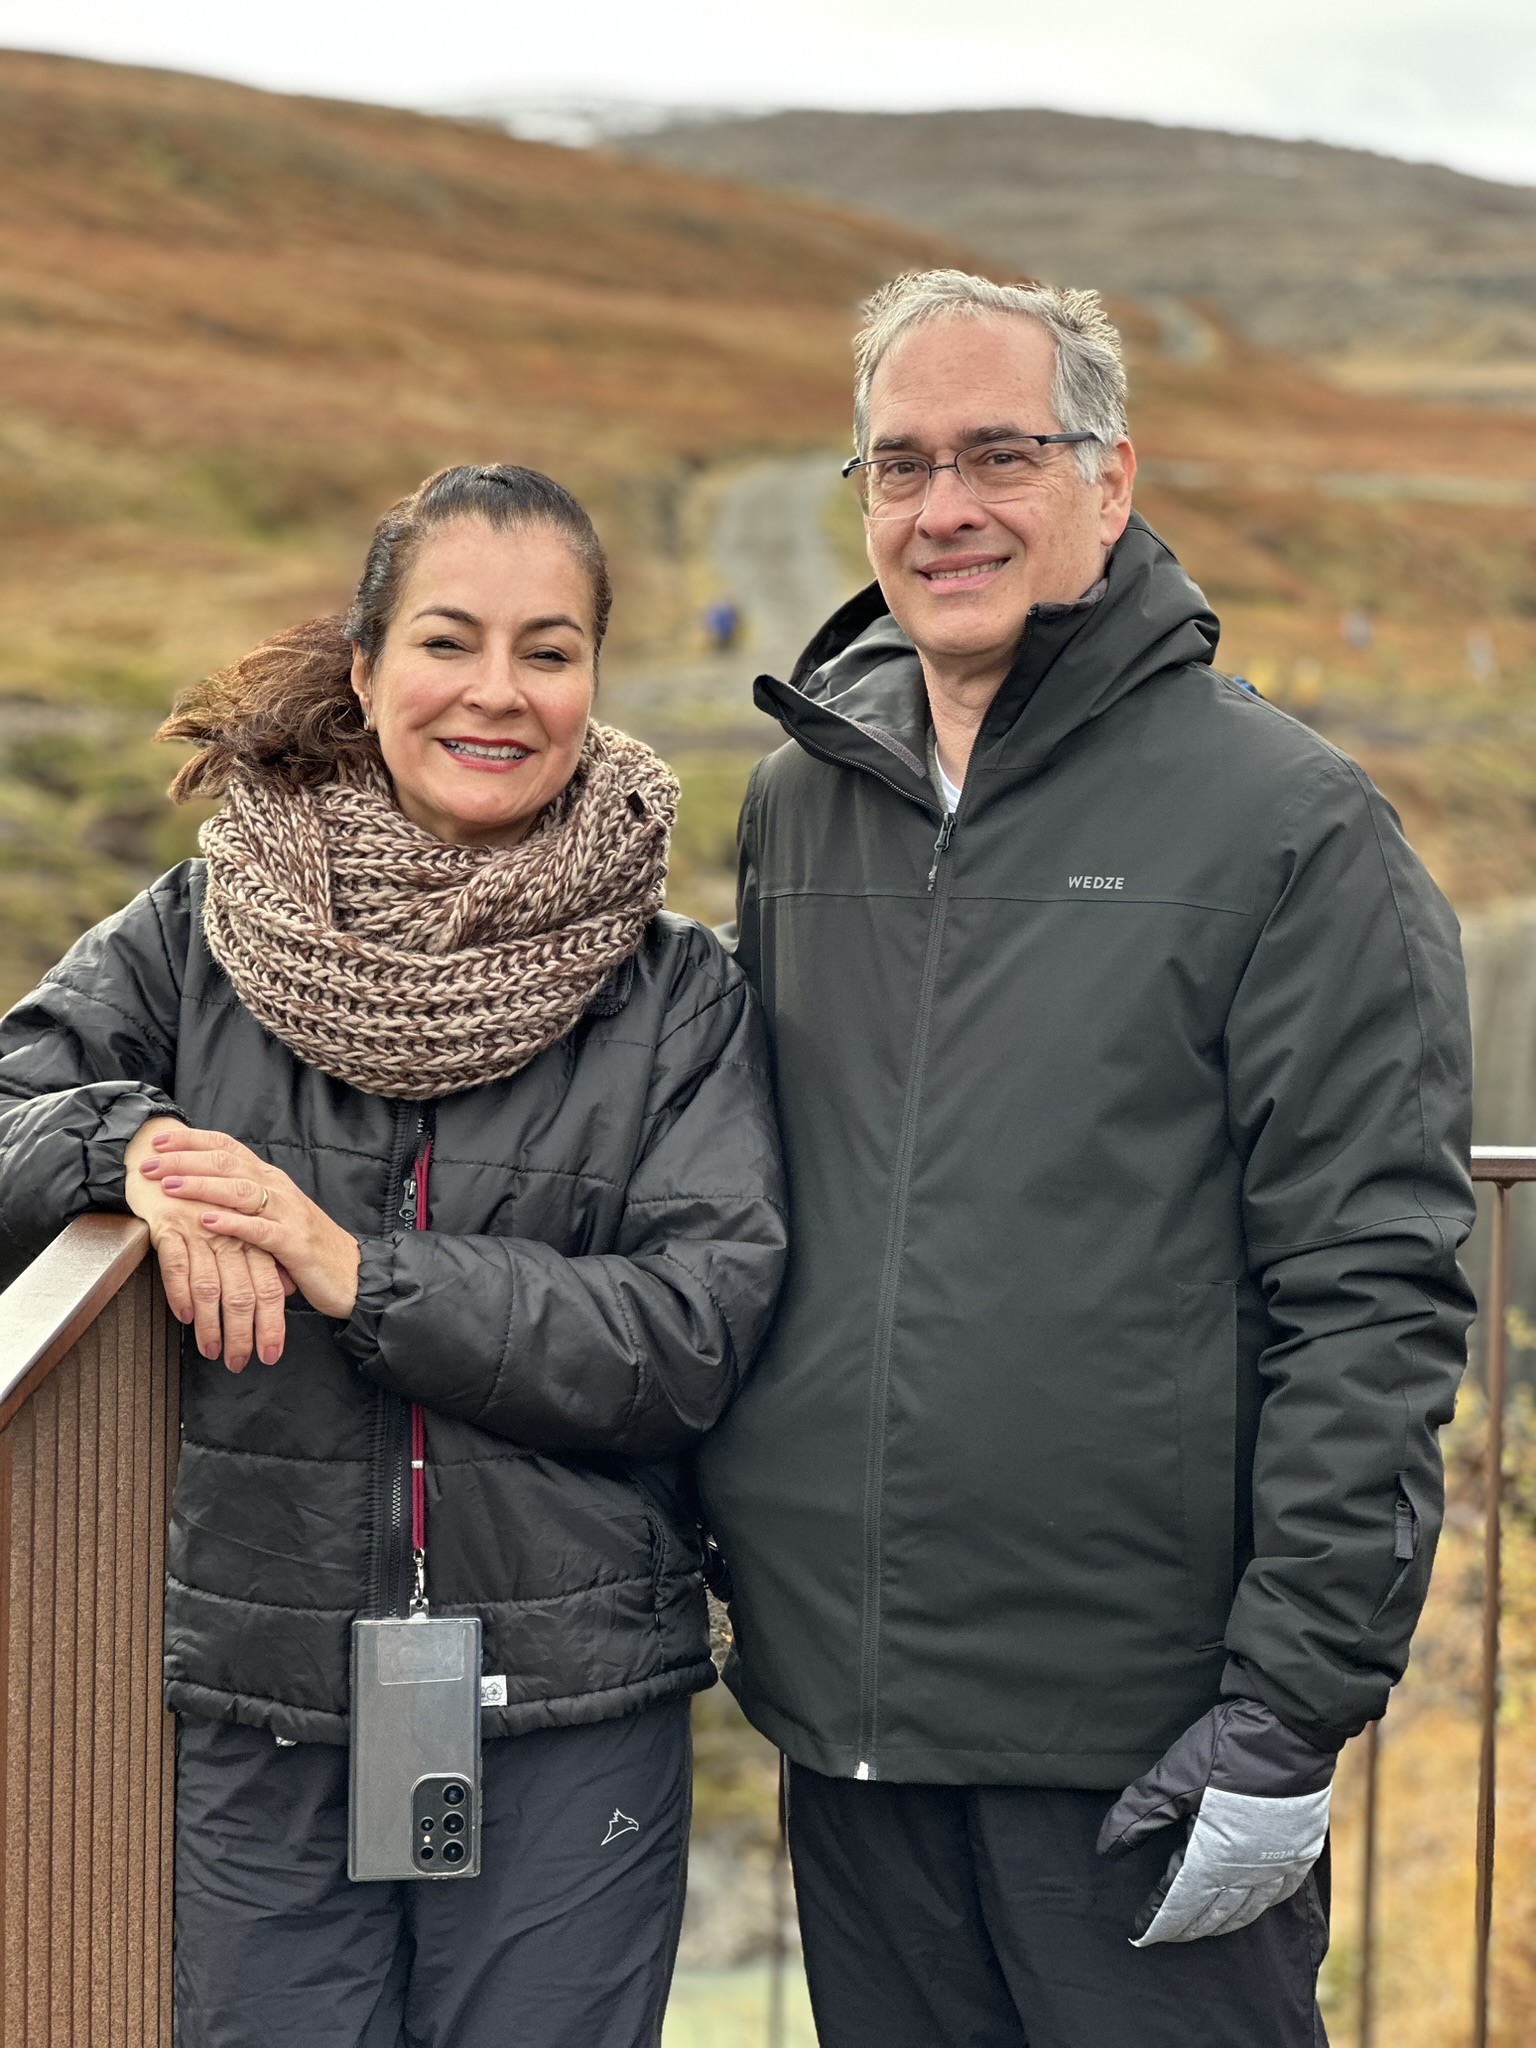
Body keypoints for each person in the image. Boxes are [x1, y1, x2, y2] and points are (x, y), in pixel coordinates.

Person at [696, 270, 1475, 2047]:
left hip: (1148, 1748)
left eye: (1000, 454)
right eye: (900, 464)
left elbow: (1372, 1293)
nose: (944, 507)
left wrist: (1290, 1707)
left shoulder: (1288, 824)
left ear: (1110, 482)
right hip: (852, 1730)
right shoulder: (801, 801)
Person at [0, 463, 786, 2048]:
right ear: (365, 673)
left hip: (573, 1714)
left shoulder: (678, 995)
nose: (497, 691)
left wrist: (357, 1271)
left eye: (549, 651)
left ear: (594, 681)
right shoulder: (198, 934)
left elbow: (689, 1333)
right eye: (448, 640)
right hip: (265, 1709)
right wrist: (130, 1155)